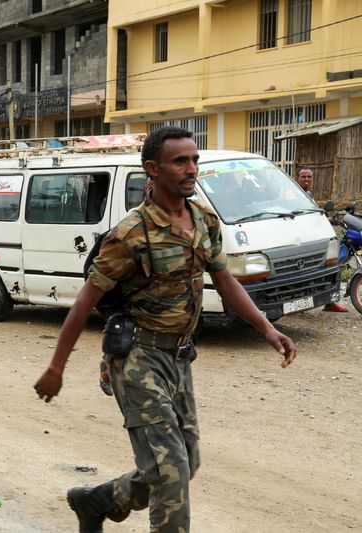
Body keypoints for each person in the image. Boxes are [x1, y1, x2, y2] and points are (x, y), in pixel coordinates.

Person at [34, 127, 297, 533]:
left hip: (179, 357)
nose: (191, 169)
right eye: (180, 161)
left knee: (185, 462)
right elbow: (84, 303)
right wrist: (56, 367)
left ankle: (99, 500)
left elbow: (224, 280)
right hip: (137, 359)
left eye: (194, 160)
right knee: (170, 471)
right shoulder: (129, 235)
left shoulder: (205, 221)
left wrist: (265, 327)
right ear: (152, 170)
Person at [296, 168, 348, 312]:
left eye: (309, 177)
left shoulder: (309, 195)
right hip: (300, 239)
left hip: (313, 236)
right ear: (297, 178)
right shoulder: (292, 194)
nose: (306, 179)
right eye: (303, 177)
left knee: (331, 264)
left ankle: (330, 301)